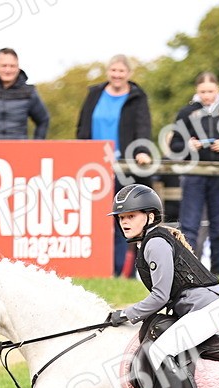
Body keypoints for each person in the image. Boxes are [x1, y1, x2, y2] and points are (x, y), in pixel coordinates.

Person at [104, 184, 219, 388]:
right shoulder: (148, 242)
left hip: (207, 311)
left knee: (159, 351)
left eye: (131, 216)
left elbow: (160, 297)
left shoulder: (156, 243)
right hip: (198, 309)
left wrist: (126, 314)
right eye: (121, 217)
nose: (124, 222)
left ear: (150, 216)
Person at [76, 55, 153, 277]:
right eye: (113, 70)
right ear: (108, 71)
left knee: (121, 218)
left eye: (121, 71)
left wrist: (142, 150)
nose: (117, 75)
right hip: (93, 165)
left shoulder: (137, 97)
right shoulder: (94, 94)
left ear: (128, 73)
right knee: (93, 218)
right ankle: (93, 269)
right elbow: (82, 126)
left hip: (122, 165)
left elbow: (143, 126)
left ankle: (119, 271)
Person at [168, 72, 219, 275]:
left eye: (210, 91)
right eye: (203, 92)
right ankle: (187, 272)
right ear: (197, 91)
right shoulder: (186, 112)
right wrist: (188, 145)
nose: (207, 96)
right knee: (189, 226)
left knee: (218, 226)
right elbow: (174, 144)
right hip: (194, 174)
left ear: (218, 89)